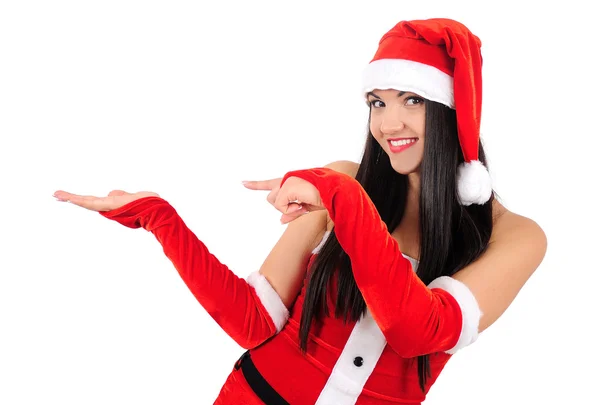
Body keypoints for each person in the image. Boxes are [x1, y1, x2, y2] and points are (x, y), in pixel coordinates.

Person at [53, 18, 547, 405]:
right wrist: (157, 216)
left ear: (454, 109)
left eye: (412, 100)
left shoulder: (516, 237)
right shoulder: (344, 181)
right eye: (377, 102)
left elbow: (419, 330)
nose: (388, 122)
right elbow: (254, 320)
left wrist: (343, 199)